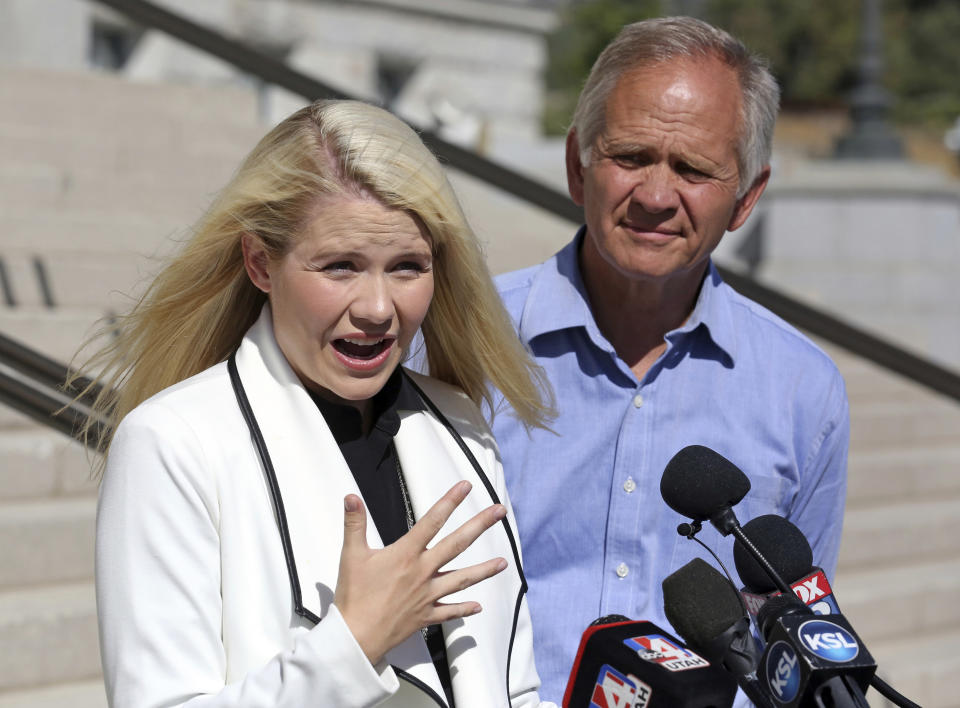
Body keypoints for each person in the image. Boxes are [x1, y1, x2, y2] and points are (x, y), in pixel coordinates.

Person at [78, 99, 557, 708]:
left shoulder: (460, 423)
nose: (378, 308)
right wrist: (352, 645)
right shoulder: (172, 442)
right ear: (260, 263)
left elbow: (511, 688)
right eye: (340, 266)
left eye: (408, 267)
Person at [489, 16, 850, 702]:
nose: (656, 196)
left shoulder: (805, 392)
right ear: (577, 166)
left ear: (746, 197)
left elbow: (794, 640)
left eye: (692, 169)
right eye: (631, 156)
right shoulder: (461, 344)